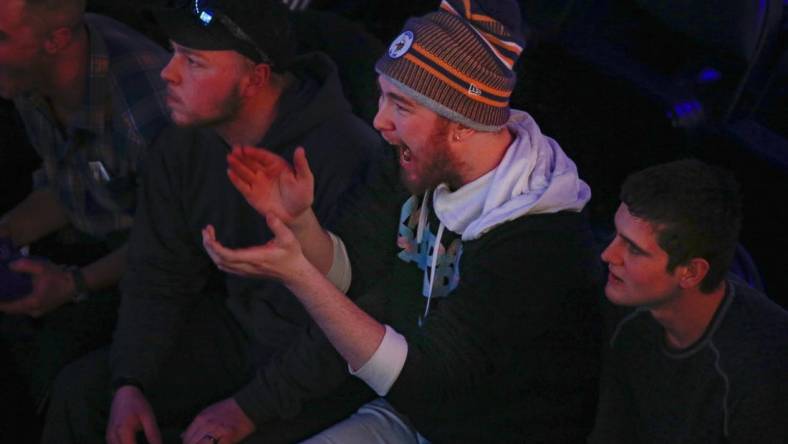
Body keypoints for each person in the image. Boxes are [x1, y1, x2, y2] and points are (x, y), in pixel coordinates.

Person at [203, 0, 602, 441]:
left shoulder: (539, 239)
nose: (379, 121)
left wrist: (297, 274)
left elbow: (423, 378)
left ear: (464, 124)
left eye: (402, 106)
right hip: (405, 417)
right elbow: (350, 270)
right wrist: (300, 223)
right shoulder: (410, 165)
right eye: (382, 96)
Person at [42, 0, 380, 443]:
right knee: (85, 395)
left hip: (326, 366)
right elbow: (158, 272)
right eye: (174, 51)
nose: (168, 72)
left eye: (194, 61)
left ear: (254, 79)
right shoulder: (184, 145)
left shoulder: (349, 155)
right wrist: (131, 381)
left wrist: (249, 409)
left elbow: (361, 323)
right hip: (238, 332)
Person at [0, 0, 170, 420]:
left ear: (56, 40)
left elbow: (174, 243)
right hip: (98, 237)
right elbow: (72, 188)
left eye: (1, 37)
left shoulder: (148, 112)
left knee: (59, 383)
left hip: (158, 274)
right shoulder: (32, 75)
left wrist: (73, 284)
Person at [588, 159, 788, 443]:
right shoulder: (625, 311)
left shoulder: (761, 379)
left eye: (633, 248)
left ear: (691, 272)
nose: (608, 255)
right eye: (616, 235)